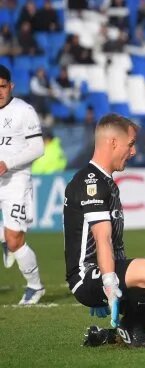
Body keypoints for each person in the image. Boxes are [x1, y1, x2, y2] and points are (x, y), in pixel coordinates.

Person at [64, 113, 145, 347]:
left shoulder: (106, 182)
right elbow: (103, 239)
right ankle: (129, 326)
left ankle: (107, 335)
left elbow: (115, 244)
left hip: (108, 270)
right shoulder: (91, 183)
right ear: (113, 143)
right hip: (87, 276)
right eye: (130, 144)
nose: (134, 151)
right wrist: (109, 284)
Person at [0, 64, 46, 305]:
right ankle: (5, 237)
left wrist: (8, 162)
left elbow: (38, 147)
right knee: (9, 236)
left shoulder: (24, 111)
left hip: (16, 181)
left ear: (11, 86)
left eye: (2, 86)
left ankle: (35, 287)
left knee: (16, 240)